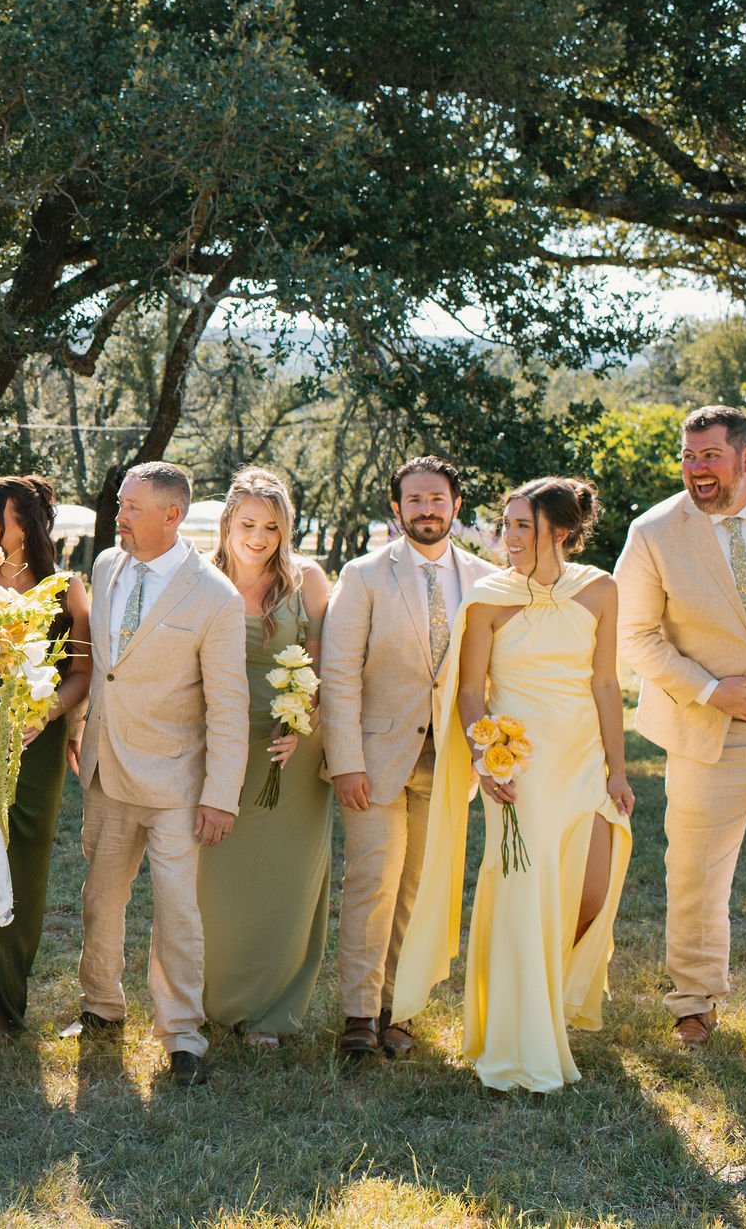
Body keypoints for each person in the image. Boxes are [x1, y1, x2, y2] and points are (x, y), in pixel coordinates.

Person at [392, 478, 633, 1092]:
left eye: (523, 525)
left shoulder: (601, 589)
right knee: (526, 895)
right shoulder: (489, 597)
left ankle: (552, 998)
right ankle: (521, 1034)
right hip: (518, 768)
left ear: (560, 531)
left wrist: (619, 767)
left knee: (591, 893)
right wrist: (485, 757)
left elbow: (606, 684)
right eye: (506, 524)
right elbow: (470, 691)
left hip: (582, 761)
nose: (510, 536)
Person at [67, 461, 248, 1086]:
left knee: (176, 911)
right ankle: (100, 1007)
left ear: (172, 516)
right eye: (121, 504)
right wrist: (77, 731)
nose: (118, 517)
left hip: (177, 782)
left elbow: (228, 705)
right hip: (105, 767)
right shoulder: (105, 566)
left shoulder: (216, 597)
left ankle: (182, 1037)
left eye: (132, 508)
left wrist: (220, 795)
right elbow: (101, 669)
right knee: (100, 899)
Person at [321, 455, 495, 1058]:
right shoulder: (365, 574)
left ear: (455, 507)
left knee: (422, 889)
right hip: (375, 757)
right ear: (396, 510)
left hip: (450, 762)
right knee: (373, 883)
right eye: (414, 500)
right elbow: (338, 672)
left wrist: (486, 753)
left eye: (437, 499)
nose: (427, 509)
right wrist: (345, 760)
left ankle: (402, 1006)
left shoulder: (483, 578)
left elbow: (491, 675)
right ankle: (360, 1015)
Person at [615, 406, 746, 1048]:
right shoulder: (653, 532)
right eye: (688, 457)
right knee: (698, 869)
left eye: (709, 456)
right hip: (710, 728)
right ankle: (694, 1002)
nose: (696, 470)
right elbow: (634, 635)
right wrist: (713, 691)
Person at [194, 467, 332, 1047]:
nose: (258, 537)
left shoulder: (309, 581)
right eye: (247, 523)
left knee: (286, 879)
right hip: (215, 745)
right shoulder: (199, 579)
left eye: (271, 527)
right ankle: (211, 998)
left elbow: (325, 666)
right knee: (215, 878)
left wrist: (302, 725)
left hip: (289, 750)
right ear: (228, 522)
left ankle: (274, 1009)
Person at [0, 474, 92, 1043]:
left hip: (35, 745)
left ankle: (7, 1003)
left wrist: (47, 713)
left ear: (24, 522)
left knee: (22, 870)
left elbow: (82, 671)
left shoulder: (66, 588)